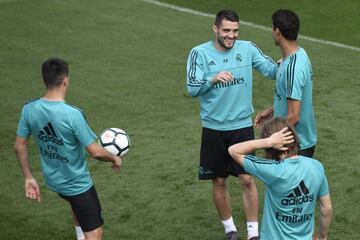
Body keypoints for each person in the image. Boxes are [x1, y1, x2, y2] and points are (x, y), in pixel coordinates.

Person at [186, 9, 277, 240]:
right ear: (215, 29)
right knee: (218, 180)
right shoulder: (199, 53)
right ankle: (230, 230)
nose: (231, 35)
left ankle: (253, 233)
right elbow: (192, 87)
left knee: (247, 179)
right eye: (226, 30)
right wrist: (212, 79)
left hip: (241, 128)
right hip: (213, 128)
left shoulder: (247, 49)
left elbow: (271, 70)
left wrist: (288, 62)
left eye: (235, 30)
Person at [14, 58, 122, 240]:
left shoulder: (29, 109)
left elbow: (19, 145)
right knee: (95, 231)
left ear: (44, 80)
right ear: (66, 80)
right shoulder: (73, 115)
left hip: (54, 181)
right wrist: (114, 158)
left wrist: (28, 177)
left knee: (75, 205)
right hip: (77, 185)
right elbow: (95, 151)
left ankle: (80, 236)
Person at [228, 117, 332, 240]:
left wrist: (267, 141)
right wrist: (322, 237)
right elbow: (326, 208)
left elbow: (234, 151)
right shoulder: (316, 167)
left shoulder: (273, 170)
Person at [255, 9, 317, 158]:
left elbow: (294, 116)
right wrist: (272, 111)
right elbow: (292, 96)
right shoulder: (298, 55)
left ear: (277, 31)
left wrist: (271, 138)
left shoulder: (292, 69)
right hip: (294, 141)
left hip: (294, 145)